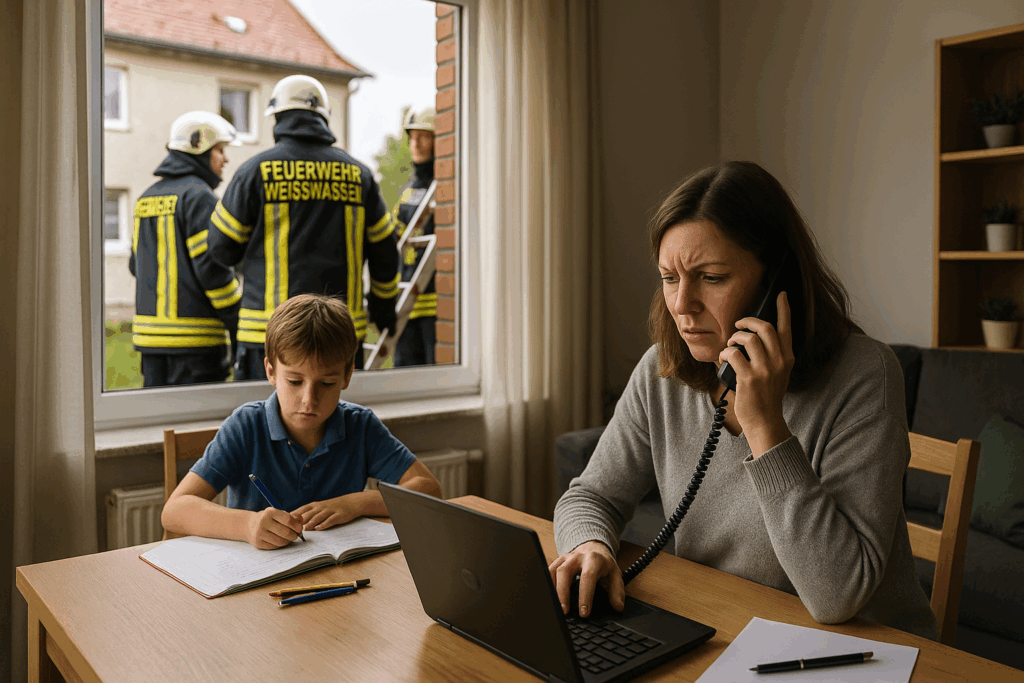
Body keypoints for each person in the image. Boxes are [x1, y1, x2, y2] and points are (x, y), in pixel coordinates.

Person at [549, 161, 938, 639]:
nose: (682, 305)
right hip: (727, 629)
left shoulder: (864, 376)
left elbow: (839, 596)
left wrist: (766, 427)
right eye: (670, 278)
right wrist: (589, 545)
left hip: (862, 649)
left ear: (776, 283)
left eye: (711, 278)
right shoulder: (660, 371)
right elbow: (590, 495)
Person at [161, 293, 443, 549]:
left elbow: (429, 489)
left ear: (347, 376)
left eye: (327, 383)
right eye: (295, 381)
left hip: (339, 577)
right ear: (271, 371)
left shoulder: (360, 426)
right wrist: (247, 525)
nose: (309, 399)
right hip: (255, 582)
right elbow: (174, 511)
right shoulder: (246, 426)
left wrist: (355, 503)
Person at [206, 74, 400, 379]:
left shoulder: (254, 173)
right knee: (335, 423)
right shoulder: (360, 177)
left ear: (278, 119)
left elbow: (220, 248)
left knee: (263, 425)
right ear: (323, 119)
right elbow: (385, 254)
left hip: (268, 337)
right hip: (340, 336)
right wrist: (384, 304)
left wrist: (255, 257)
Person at [129, 111, 243, 387]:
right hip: (196, 345)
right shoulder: (200, 196)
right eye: (219, 150)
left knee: (160, 426)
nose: (225, 159)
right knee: (196, 429)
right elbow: (212, 270)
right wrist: (237, 321)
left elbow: (135, 265)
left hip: (150, 344)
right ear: (199, 149)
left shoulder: (146, 198)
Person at [392, 107, 438, 366]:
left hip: (436, 304)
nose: (416, 143)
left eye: (423, 136)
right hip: (407, 299)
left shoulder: (449, 186)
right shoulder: (406, 192)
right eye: (412, 137)